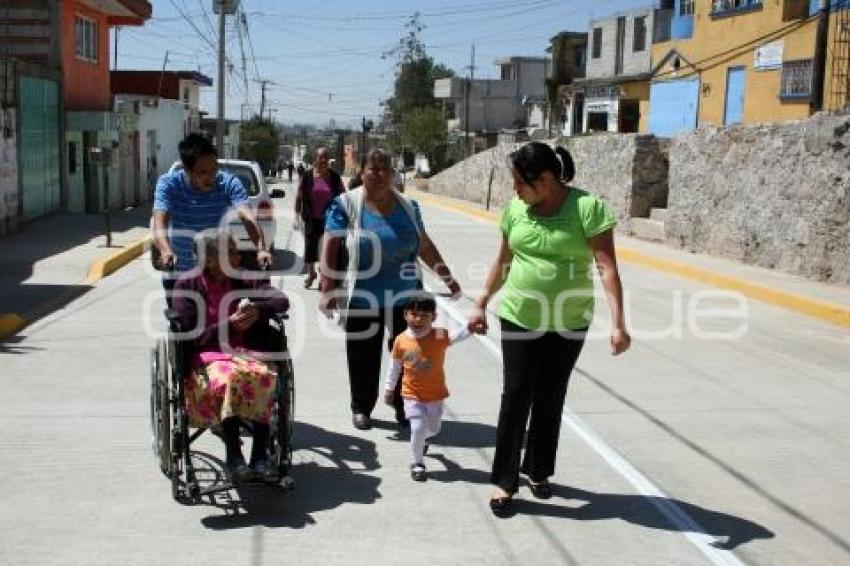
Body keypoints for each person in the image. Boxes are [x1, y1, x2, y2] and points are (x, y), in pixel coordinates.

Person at [468, 142, 631, 516]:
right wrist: (480, 303)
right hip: (520, 315)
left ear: (544, 179)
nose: (514, 190)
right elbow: (503, 262)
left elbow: (607, 267)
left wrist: (618, 323)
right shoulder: (515, 210)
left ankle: (538, 470)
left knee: (550, 395)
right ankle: (504, 481)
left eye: (519, 183)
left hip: (570, 320)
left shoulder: (586, 209)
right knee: (516, 395)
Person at [318, 148, 462, 432]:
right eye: (373, 168)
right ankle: (361, 407)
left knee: (407, 352)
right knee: (362, 352)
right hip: (362, 291)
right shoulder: (345, 204)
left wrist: (448, 278)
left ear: (393, 174)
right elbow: (330, 247)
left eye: (386, 169)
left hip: (405, 295)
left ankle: (403, 406)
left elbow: (424, 245)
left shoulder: (409, 206)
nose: (380, 174)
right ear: (362, 172)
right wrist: (327, 288)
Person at [172, 229, 289, 482]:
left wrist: (259, 310)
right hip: (206, 355)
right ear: (211, 259)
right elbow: (190, 336)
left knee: (264, 376)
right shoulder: (186, 285)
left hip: (245, 352)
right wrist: (227, 325)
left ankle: (259, 456)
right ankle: (234, 457)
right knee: (230, 378)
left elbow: (281, 301)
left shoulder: (245, 279)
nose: (238, 257)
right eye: (231, 252)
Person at [152, 134, 272, 299]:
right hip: (180, 273)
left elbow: (247, 216)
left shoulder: (228, 183)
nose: (211, 176)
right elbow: (160, 222)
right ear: (187, 170)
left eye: (214, 169)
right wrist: (166, 251)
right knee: (182, 321)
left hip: (217, 273)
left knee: (224, 321)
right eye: (203, 172)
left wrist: (261, 249)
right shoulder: (168, 184)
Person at [383, 292, 470, 481]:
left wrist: (472, 327)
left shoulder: (437, 334)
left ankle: (424, 439)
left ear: (433, 317)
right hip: (411, 393)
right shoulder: (400, 340)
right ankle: (418, 463)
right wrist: (389, 388)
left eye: (424, 315)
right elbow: (394, 366)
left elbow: (456, 336)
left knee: (433, 428)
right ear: (405, 315)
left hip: (435, 394)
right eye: (413, 314)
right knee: (417, 427)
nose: (418, 319)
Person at [295, 147, 345, 288]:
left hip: (330, 219)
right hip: (311, 217)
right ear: (315, 159)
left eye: (325, 157)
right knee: (310, 246)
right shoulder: (308, 176)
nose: (323, 160)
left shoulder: (334, 177)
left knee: (325, 248)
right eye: (320, 157)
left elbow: (343, 194)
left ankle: (323, 275)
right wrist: (297, 214)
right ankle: (311, 273)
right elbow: (300, 195)